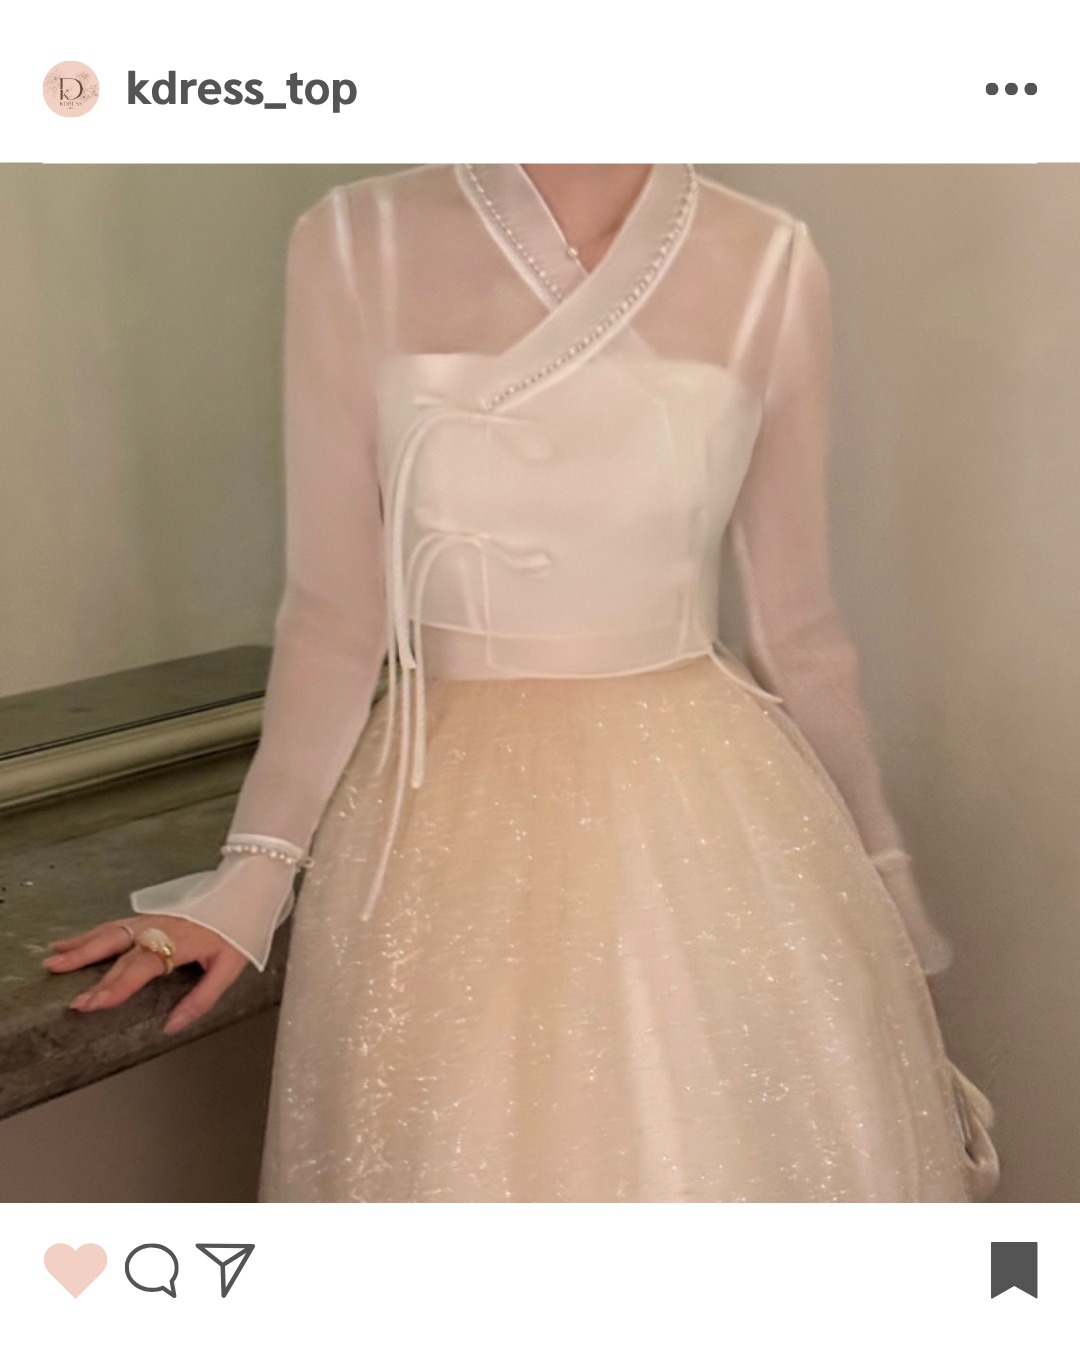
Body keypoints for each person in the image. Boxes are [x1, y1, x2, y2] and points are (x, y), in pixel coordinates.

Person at [45, 163, 1000, 1201]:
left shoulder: (770, 259)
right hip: (440, 814)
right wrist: (252, 876)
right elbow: (336, 611)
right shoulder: (357, 237)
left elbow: (798, 629)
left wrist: (887, 895)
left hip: (701, 813)